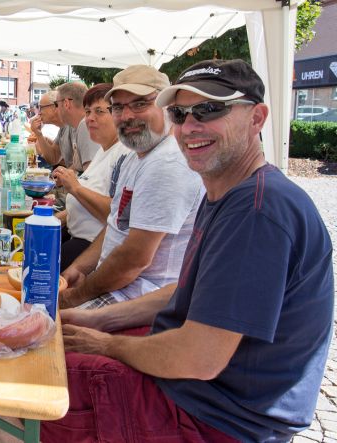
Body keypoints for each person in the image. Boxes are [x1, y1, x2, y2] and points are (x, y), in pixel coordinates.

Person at [41, 59, 334, 443]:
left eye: (211, 109)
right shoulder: (230, 191)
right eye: (181, 113)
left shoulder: (256, 210)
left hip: (215, 416)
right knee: (45, 344)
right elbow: (181, 292)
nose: (191, 126)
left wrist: (108, 343)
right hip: (203, 392)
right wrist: (101, 321)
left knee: (26, 382)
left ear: (257, 118)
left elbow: (198, 357)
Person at [60, 65, 204, 310]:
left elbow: (133, 261)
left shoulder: (167, 162)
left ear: (167, 107)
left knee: (40, 333)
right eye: (118, 107)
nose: (126, 116)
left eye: (140, 104)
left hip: (140, 300)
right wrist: (77, 269)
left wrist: (76, 296)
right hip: (119, 289)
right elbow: (116, 224)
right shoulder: (136, 156)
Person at [52, 83, 130, 271]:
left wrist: (76, 188)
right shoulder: (103, 151)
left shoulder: (124, 155)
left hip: (92, 250)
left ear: (117, 115)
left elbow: (118, 217)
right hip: (76, 238)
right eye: (87, 112)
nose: (90, 119)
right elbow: (82, 208)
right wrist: (51, 219)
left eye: (99, 111)